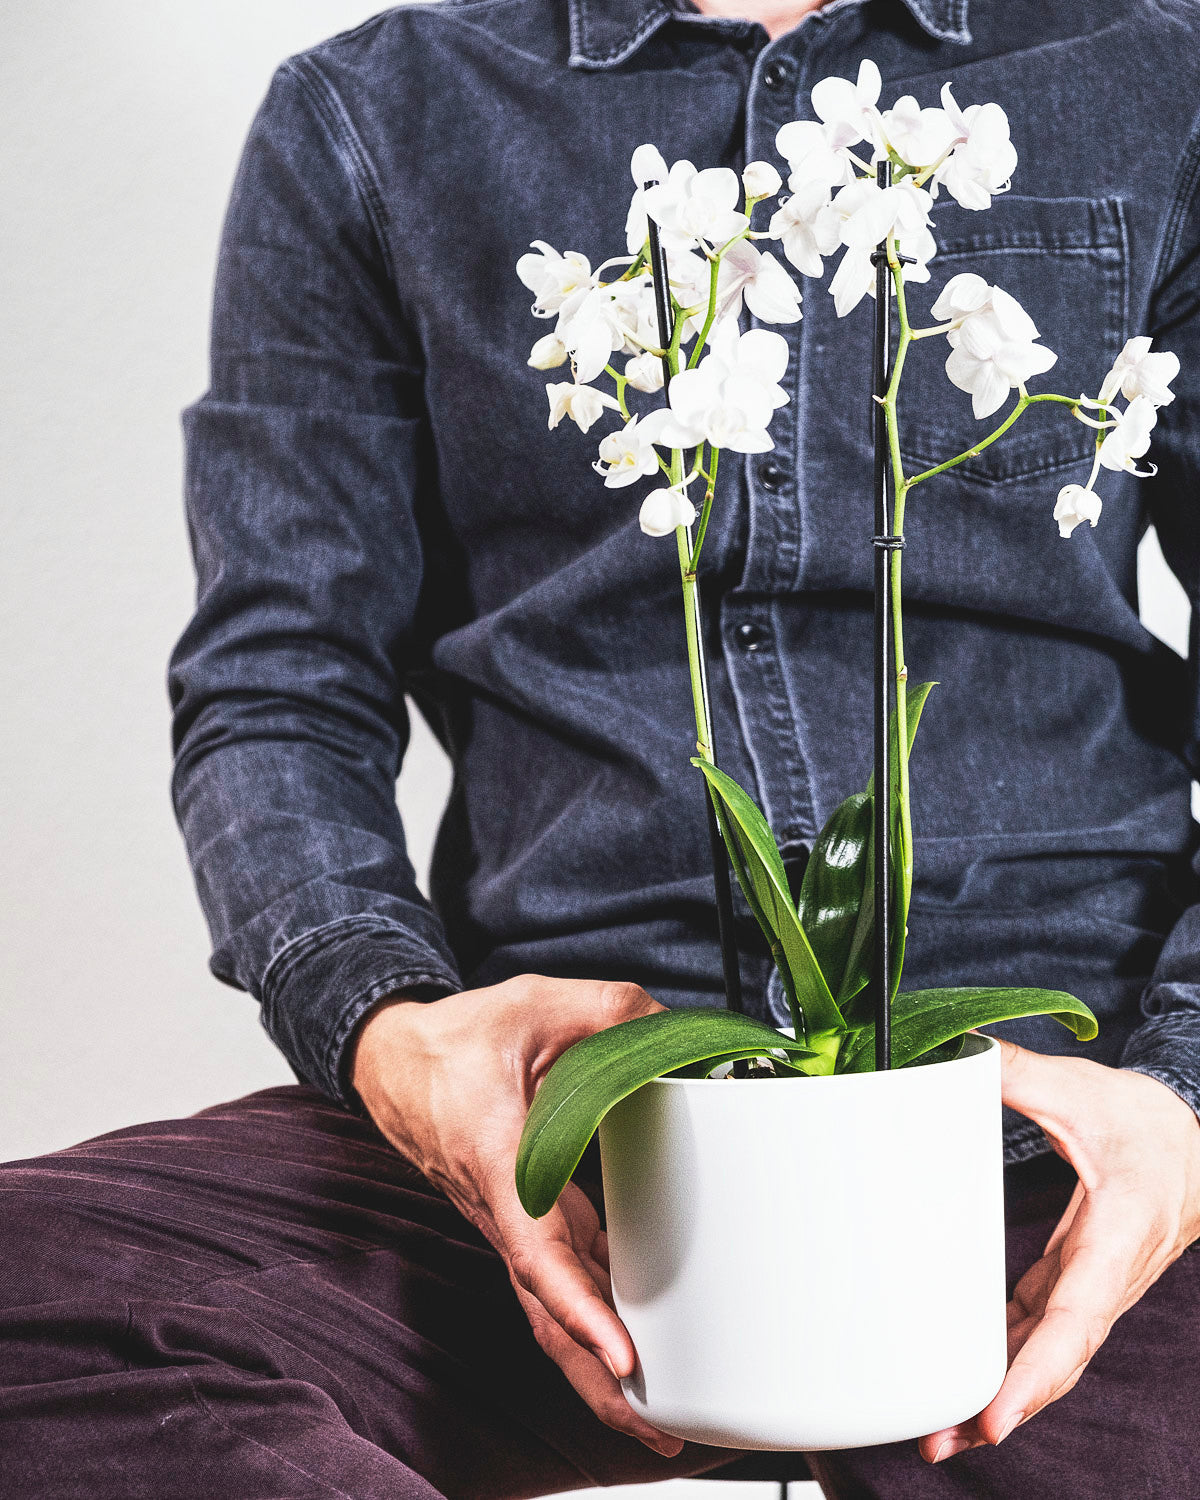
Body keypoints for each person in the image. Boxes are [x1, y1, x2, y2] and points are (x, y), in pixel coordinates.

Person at [4, 0, 1200, 1494]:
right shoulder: (377, 111)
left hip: (1061, 1126)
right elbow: (277, 682)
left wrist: (1185, 1096)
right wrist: (387, 1029)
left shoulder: (1157, 71)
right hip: (570, 1147)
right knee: (33, 1298)